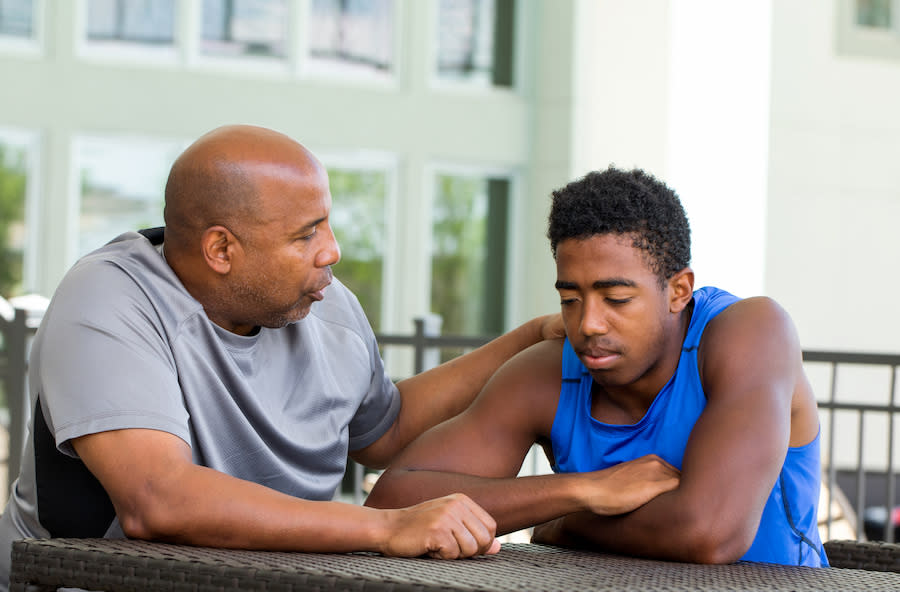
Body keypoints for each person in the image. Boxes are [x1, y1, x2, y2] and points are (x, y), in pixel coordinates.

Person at [0, 124, 649, 588]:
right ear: (222, 251)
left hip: (285, 577)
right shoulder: (109, 301)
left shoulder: (323, 303)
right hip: (90, 580)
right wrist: (390, 528)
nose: (332, 251)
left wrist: (524, 340)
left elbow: (385, 431)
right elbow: (157, 500)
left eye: (328, 224)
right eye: (307, 233)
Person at [365, 166, 828, 567]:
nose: (587, 324)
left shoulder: (750, 332)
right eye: (570, 299)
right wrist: (581, 491)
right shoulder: (548, 372)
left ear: (679, 291)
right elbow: (393, 501)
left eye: (617, 299)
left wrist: (562, 525)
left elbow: (710, 533)